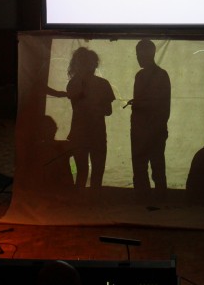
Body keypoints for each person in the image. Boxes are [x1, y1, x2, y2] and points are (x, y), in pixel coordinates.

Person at [46, 47, 116, 193]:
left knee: (82, 172)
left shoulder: (73, 83)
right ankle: (93, 202)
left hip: (80, 134)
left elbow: (78, 103)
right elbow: (108, 111)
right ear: (95, 64)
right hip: (97, 133)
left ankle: (80, 203)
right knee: (97, 173)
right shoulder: (103, 84)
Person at [128, 39, 171, 202]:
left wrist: (139, 104)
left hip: (145, 129)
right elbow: (163, 105)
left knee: (142, 167)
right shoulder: (160, 75)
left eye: (139, 54)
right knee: (156, 166)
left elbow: (158, 104)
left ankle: (143, 199)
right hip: (154, 129)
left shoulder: (144, 76)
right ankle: (159, 198)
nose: (137, 57)